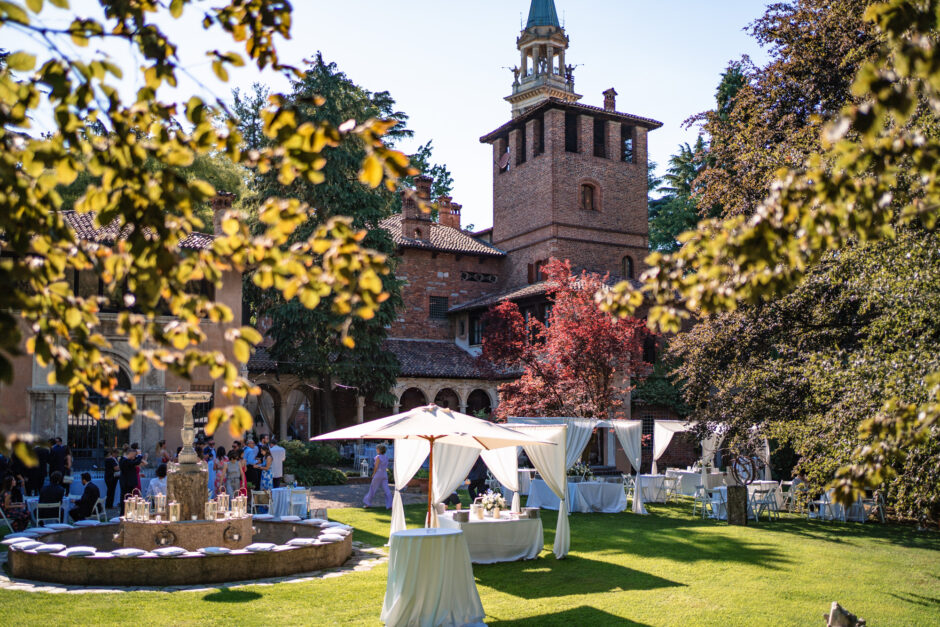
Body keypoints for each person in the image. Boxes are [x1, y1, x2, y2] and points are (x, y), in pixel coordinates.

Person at [363, 444, 392, 509]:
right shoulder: (386, 457)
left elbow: (376, 467)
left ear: (379, 450)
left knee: (372, 489)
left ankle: (368, 504)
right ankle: (390, 505)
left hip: (378, 474)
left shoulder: (378, 457)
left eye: (377, 448)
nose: (376, 450)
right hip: (384, 474)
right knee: (387, 489)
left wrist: (373, 474)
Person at [119, 446, 145, 514]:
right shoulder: (124, 460)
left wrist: (137, 456)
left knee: (129, 499)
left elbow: (135, 461)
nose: (134, 457)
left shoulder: (127, 460)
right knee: (126, 499)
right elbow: (135, 462)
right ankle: (124, 513)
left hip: (129, 483)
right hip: (126, 484)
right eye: (133, 455)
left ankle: (128, 512)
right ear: (130, 454)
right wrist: (139, 455)